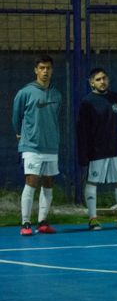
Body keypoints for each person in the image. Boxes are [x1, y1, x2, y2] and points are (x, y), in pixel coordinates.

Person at [76, 67, 117, 231]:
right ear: (91, 83)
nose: (102, 82)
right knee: (92, 182)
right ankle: (93, 219)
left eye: (104, 78)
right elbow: (82, 130)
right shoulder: (87, 102)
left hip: (116, 150)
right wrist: (84, 155)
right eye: (98, 79)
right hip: (97, 151)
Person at [12, 54, 62, 236]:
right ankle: (25, 223)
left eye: (48, 68)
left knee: (48, 183)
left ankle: (42, 221)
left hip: (51, 147)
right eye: (42, 68)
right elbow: (16, 117)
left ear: (52, 70)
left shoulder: (56, 94)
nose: (45, 71)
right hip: (31, 146)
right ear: (36, 70)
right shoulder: (25, 92)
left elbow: (55, 118)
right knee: (31, 182)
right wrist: (20, 134)